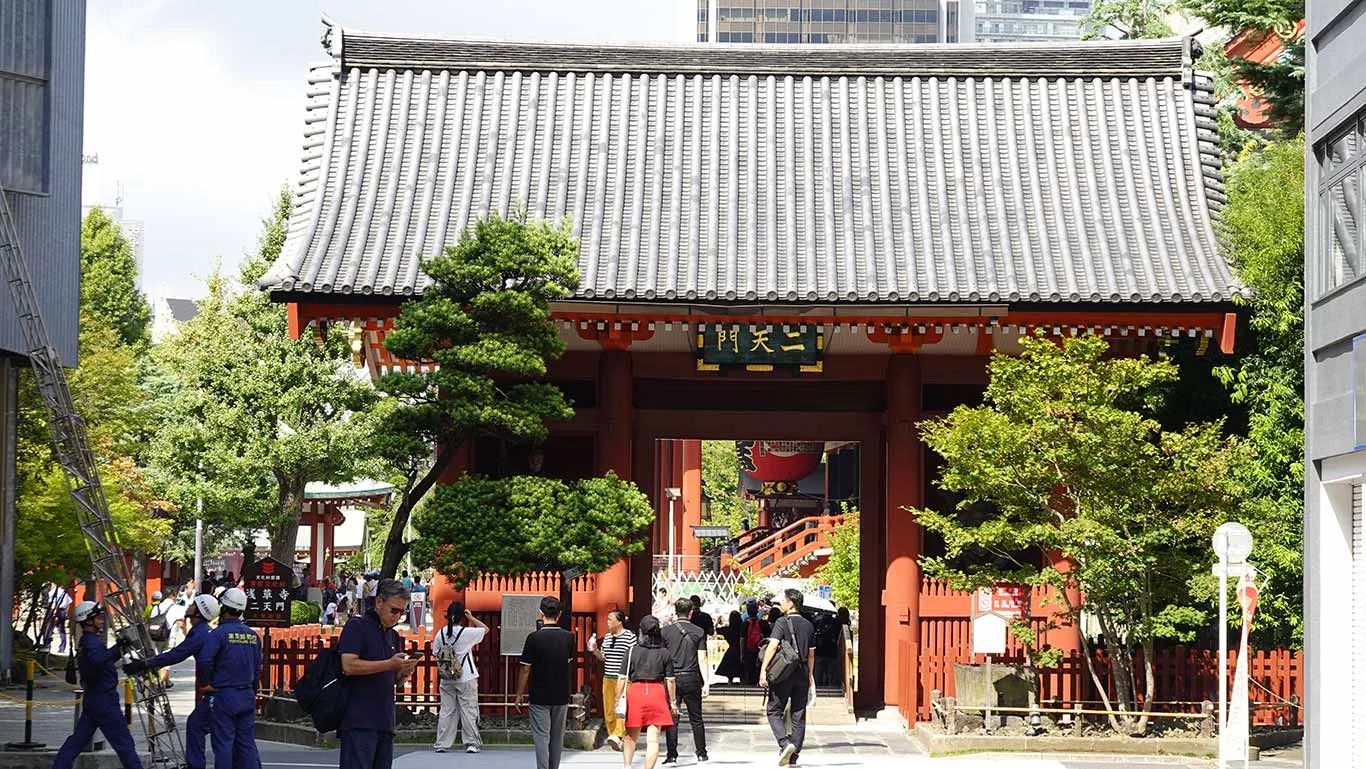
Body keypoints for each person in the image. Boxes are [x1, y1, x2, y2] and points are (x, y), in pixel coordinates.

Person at [124, 594, 221, 769]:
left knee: (197, 725)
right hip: (223, 691)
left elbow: (177, 654)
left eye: (194, 604)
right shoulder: (202, 630)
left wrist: (145, 664)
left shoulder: (200, 633)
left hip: (215, 693)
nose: (189, 605)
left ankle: (196, 765)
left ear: (199, 612)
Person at [338, 579, 419, 769]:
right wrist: (389, 664)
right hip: (359, 719)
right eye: (394, 610)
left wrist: (404, 672)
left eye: (402, 612)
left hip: (384, 720)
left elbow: (395, 681)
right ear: (379, 602)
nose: (397, 616)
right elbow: (349, 666)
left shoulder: (393, 636)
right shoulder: (357, 626)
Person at [53, 601, 142, 769]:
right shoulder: (91, 642)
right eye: (98, 617)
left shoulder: (89, 641)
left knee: (76, 742)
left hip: (93, 699)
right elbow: (98, 661)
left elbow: (103, 661)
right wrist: (118, 647)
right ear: (88, 620)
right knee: (125, 744)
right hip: (104, 701)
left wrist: (118, 651)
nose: (102, 620)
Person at [198, 588, 262, 769]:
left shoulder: (218, 634)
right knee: (246, 744)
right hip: (246, 695)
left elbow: (204, 660)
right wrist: (253, 692)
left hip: (224, 695)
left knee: (224, 744)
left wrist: (206, 684)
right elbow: (258, 669)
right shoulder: (253, 636)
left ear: (224, 608)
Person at [515, 597, 575, 769]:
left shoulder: (533, 638)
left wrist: (519, 693)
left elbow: (525, 669)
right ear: (560, 614)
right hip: (561, 692)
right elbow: (568, 662)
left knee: (541, 736)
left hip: (539, 693)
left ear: (541, 613)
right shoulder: (569, 637)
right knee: (557, 737)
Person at [759, 589, 815, 767]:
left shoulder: (782, 622)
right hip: (802, 673)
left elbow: (772, 646)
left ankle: (784, 744)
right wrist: (810, 676)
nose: (780, 604)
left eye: (783, 600)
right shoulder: (809, 625)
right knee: (799, 714)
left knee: (773, 710)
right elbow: (812, 654)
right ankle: (793, 756)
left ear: (791, 603)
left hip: (783, 673)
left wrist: (763, 670)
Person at [620, 615, 677, 769]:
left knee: (631, 735)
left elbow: (622, 678)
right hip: (656, 692)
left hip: (636, 691)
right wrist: (673, 702)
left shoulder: (631, 651)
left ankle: (627, 766)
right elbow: (670, 680)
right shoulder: (664, 653)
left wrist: (617, 698)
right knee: (653, 739)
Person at [433, 601, 488, 753]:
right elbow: (485, 629)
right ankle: (471, 743)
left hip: (446, 678)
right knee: (468, 709)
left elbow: (435, 652)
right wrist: (471, 618)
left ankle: (442, 743)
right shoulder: (466, 633)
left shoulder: (441, 633)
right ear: (462, 616)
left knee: (446, 710)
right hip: (466, 676)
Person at [663, 599, 709, 764]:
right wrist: (707, 683)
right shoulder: (699, 631)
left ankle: (672, 755)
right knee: (696, 717)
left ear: (676, 611)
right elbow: (702, 657)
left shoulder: (665, 632)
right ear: (691, 612)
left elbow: (663, 656)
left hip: (671, 678)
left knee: (672, 716)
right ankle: (701, 753)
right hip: (691, 676)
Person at [591, 609, 636, 751]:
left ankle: (618, 735)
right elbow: (603, 658)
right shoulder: (608, 637)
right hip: (608, 677)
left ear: (620, 621)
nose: (608, 622)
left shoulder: (630, 637)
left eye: (610, 619)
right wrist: (594, 651)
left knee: (621, 708)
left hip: (623, 678)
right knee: (609, 709)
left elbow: (633, 657)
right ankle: (613, 735)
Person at [740, 600, 770, 686]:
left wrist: (741, 653)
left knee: (749, 667)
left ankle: (750, 683)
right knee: (760, 665)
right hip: (761, 649)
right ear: (757, 611)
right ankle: (760, 681)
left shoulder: (745, 624)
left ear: (748, 612)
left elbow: (742, 639)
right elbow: (769, 637)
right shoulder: (763, 623)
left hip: (748, 649)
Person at [715, 611, 744, 685]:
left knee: (730, 669)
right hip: (741, 649)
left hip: (731, 650)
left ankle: (730, 682)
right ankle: (742, 683)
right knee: (741, 669)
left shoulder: (727, 629)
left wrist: (717, 622)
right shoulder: (743, 628)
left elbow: (716, 630)